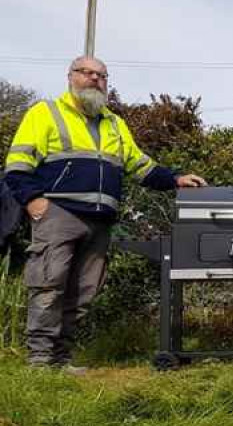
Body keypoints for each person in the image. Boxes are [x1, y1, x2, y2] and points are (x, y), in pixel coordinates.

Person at [3, 56, 207, 372]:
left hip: (99, 221)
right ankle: (40, 362)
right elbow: (17, 166)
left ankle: (61, 359)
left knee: (83, 292)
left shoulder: (114, 123)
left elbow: (140, 165)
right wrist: (35, 203)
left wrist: (175, 178)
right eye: (88, 73)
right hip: (58, 214)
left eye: (102, 75)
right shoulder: (46, 113)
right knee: (48, 285)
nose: (95, 79)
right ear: (71, 76)